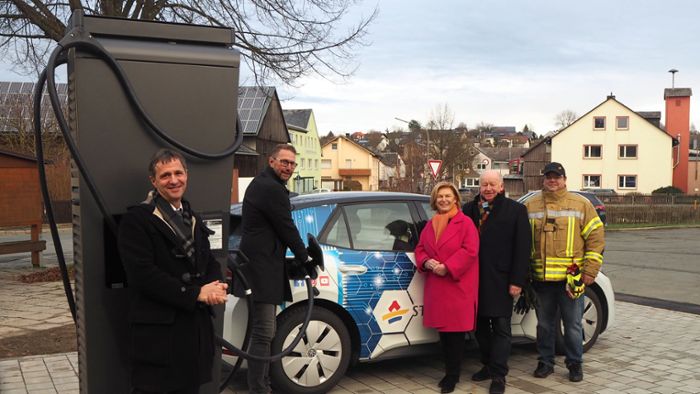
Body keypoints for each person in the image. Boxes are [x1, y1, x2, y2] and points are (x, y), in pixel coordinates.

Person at [118, 149, 228, 394]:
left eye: (178, 173)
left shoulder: (193, 218)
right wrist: (195, 294)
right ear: (154, 181)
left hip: (193, 336)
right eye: (165, 175)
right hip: (159, 339)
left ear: (187, 175)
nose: (174, 180)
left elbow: (208, 261)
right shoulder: (137, 220)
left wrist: (215, 286)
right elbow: (142, 275)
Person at [235, 144, 310, 394]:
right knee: (263, 331)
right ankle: (259, 388)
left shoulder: (264, 184)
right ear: (271, 161)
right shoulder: (270, 188)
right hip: (260, 270)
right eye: (284, 162)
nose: (288, 167)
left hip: (262, 267)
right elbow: (286, 227)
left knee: (265, 330)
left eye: (292, 163)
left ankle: (262, 384)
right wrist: (305, 257)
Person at [523, 162, 605, 383]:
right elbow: (521, 242)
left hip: (572, 280)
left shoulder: (581, 204)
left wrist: (590, 271)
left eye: (557, 177)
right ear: (544, 179)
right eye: (549, 177)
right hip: (541, 280)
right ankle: (545, 362)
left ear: (564, 180)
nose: (553, 180)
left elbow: (596, 238)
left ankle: (575, 364)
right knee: (544, 325)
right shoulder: (530, 206)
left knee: (573, 325)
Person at [462, 170, 531, 394]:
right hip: (474, 280)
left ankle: (499, 375)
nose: (488, 188)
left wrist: (517, 281)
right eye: (484, 184)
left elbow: (522, 249)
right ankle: (488, 365)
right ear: (479, 187)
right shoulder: (469, 209)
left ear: (501, 187)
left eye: (493, 184)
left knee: (501, 328)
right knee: (480, 328)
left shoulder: (516, 211)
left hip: (502, 280)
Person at [415, 181, 479, 393]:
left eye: (447, 196)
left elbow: (470, 251)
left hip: (456, 285)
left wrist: (448, 267)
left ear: (455, 199)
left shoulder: (466, 223)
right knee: (444, 334)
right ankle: (450, 371)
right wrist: (426, 262)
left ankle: (453, 375)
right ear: (435, 200)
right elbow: (421, 248)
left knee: (456, 335)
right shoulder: (431, 223)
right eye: (440, 196)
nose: (443, 199)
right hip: (438, 285)